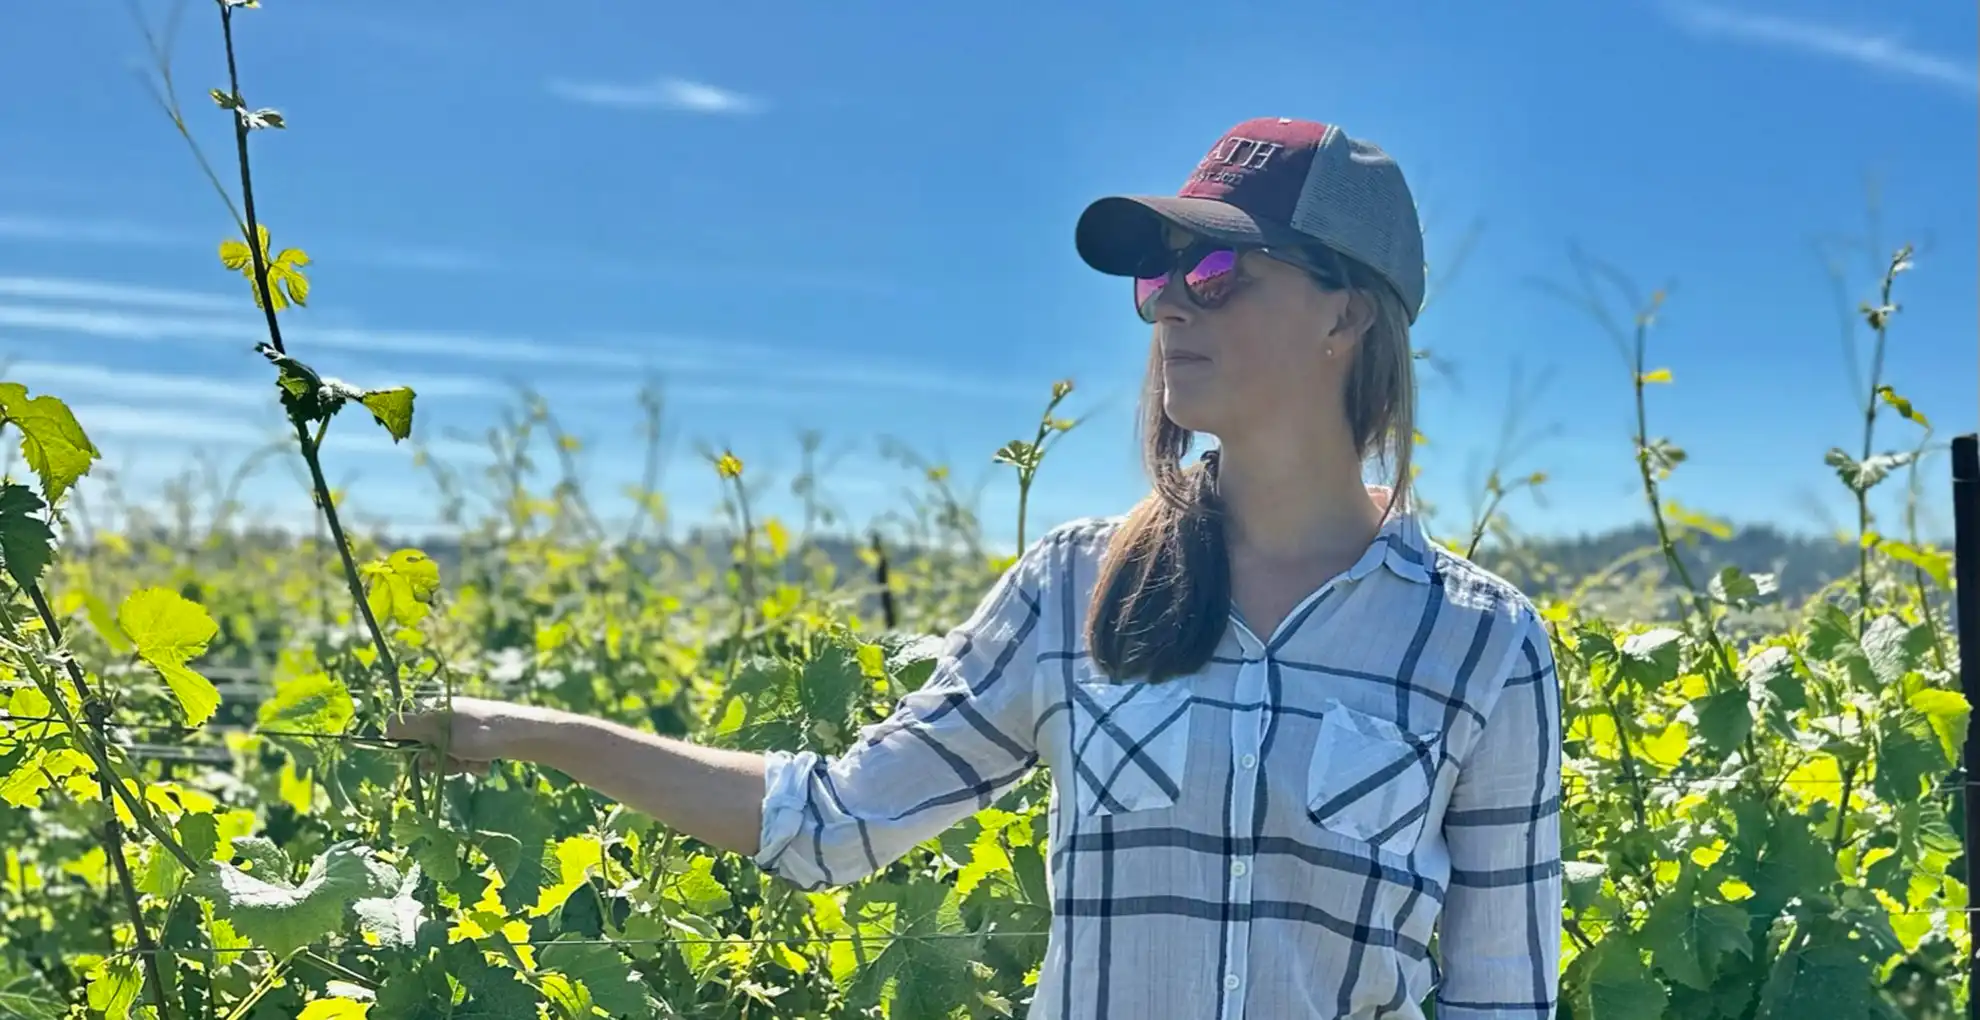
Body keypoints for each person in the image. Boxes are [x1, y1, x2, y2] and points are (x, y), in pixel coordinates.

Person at [387, 116, 1563, 1020]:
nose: (1168, 309)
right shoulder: (1076, 587)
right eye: (1155, 280)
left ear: (1345, 317)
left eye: (1215, 274)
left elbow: (1502, 997)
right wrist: (533, 732)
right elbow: (834, 824)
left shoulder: (1484, 645)